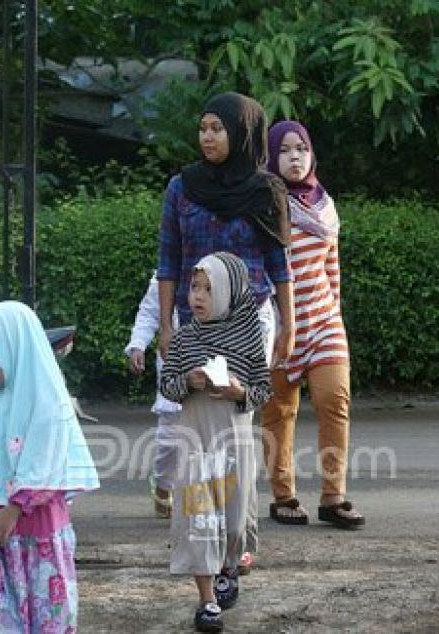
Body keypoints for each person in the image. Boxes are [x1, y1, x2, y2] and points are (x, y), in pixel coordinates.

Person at [157, 91, 294, 578]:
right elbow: (168, 259)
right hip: (194, 321)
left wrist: (289, 325)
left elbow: (280, 265)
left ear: (240, 133)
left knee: (236, 427)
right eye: (203, 127)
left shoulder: (265, 189)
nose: (208, 136)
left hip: (249, 320)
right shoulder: (182, 187)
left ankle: (240, 538)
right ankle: (205, 534)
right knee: (195, 426)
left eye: (218, 128)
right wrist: (165, 324)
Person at [0, 301, 99, 632]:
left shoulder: (48, 400)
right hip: (3, 531)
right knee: (6, 614)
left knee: (46, 613)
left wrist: (15, 509)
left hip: (39, 527)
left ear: (11, 350)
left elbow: (47, 461)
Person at [159, 252, 272, 633]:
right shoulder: (185, 336)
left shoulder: (249, 333)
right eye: (194, 287)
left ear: (229, 292)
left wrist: (241, 391)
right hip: (195, 442)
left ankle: (229, 565)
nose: (198, 296)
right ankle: (207, 600)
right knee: (198, 520)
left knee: (234, 519)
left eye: (209, 289)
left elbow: (263, 389)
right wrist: (187, 383)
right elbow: (167, 385)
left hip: (234, 444)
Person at [260, 120, 364, 529]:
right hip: (276, 325)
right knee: (279, 412)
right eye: (284, 150)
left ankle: (332, 496)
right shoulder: (262, 205)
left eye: (301, 149)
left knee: (334, 400)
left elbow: (331, 267)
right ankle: (283, 495)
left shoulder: (325, 206)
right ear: (271, 157)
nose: (294, 157)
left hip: (323, 320)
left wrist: (332, 313)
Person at [125, 271, 182, 519]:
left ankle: (205, 503)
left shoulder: (222, 264)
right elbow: (149, 312)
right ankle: (163, 482)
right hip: (173, 361)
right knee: (171, 437)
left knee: (210, 438)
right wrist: (138, 345)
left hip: (213, 362)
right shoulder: (166, 272)